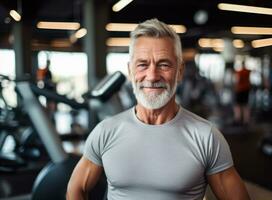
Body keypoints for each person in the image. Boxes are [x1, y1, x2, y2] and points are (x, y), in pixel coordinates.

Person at [66, 18, 250, 200]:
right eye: (142, 65)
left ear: (179, 71)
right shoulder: (105, 132)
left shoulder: (206, 137)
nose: (152, 76)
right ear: (130, 71)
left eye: (164, 64)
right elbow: (76, 188)